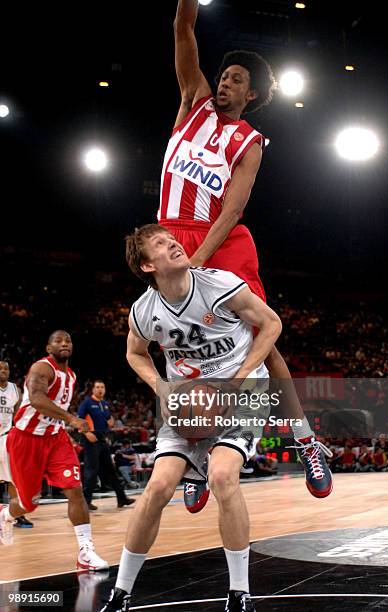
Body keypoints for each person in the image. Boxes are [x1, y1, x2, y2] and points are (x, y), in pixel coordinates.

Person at [157, 0, 332, 508]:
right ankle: (195, 449)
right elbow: (183, 25)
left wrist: (197, 264)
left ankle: (305, 440)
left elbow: (231, 212)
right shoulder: (193, 102)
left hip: (220, 239)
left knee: (262, 336)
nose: (226, 81)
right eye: (224, 74)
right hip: (170, 235)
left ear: (252, 93)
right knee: (182, 345)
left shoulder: (249, 140)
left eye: (237, 78)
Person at [101, 223, 283, 612]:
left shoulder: (220, 284)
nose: (175, 245)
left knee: (222, 475)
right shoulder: (144, 311)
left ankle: (239, 594)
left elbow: (271, 324)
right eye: (162, 245)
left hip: (243, 391)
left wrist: (239, 377)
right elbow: (134, 353)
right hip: (187, 402)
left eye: (172, 240)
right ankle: (120, 594)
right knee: (157, 488)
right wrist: (161, 387)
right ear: (148, 265)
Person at [0, 331, 108, 571]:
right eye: (58, 341)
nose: (64, 344)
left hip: (55, 438)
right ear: (48, 347)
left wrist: (65, 426)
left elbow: (54, 410)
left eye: (68, 340)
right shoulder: (41, 368)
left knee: (75, 490)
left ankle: (85, 552)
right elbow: (37, 399)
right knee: (29, 504)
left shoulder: (71, 375)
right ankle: (6, 514)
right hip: (26, 440)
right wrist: (72, 419)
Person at [78, 380, 136, 510]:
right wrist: (87, 434)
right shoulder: (87, 402)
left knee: (111, 470)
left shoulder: (104, 404)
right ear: (92, 390)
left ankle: (122, 499)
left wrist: (111, 421)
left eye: (102, 387)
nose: (100, 389)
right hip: (90, 439)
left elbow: (109, 420)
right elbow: (79, 420)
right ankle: (85, 502)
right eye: (97, 387)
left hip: (102, 439)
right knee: (91, 471)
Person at [0, 360, 33, 529]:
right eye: (0, 368)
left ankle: (18, 515)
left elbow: (19, 414)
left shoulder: (14, 389)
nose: (3, 370)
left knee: (14, 478)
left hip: (6, 437)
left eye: (6, 368)